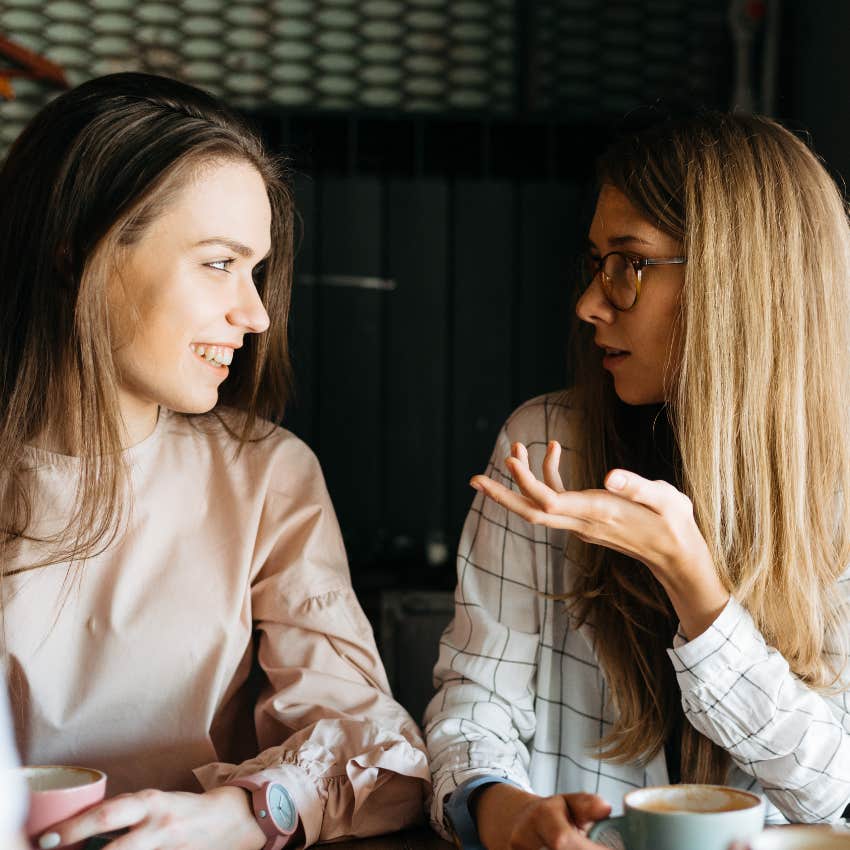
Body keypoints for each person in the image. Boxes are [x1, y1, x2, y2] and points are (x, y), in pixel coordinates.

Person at [0, 72, 429, 850]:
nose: (256, 314)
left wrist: (245, 814)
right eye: (218, 264)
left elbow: (381, 756)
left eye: (256, 271)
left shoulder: (265, 477)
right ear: (74, 257)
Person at [424, 111, 850, 850]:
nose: (590, 303)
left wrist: (692, 582)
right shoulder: (545, 441)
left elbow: (832, 789)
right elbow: (474, 701)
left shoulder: (839, 486)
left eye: (630, 264)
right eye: (596, 263)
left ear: (739, 280)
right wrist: (507, 815)